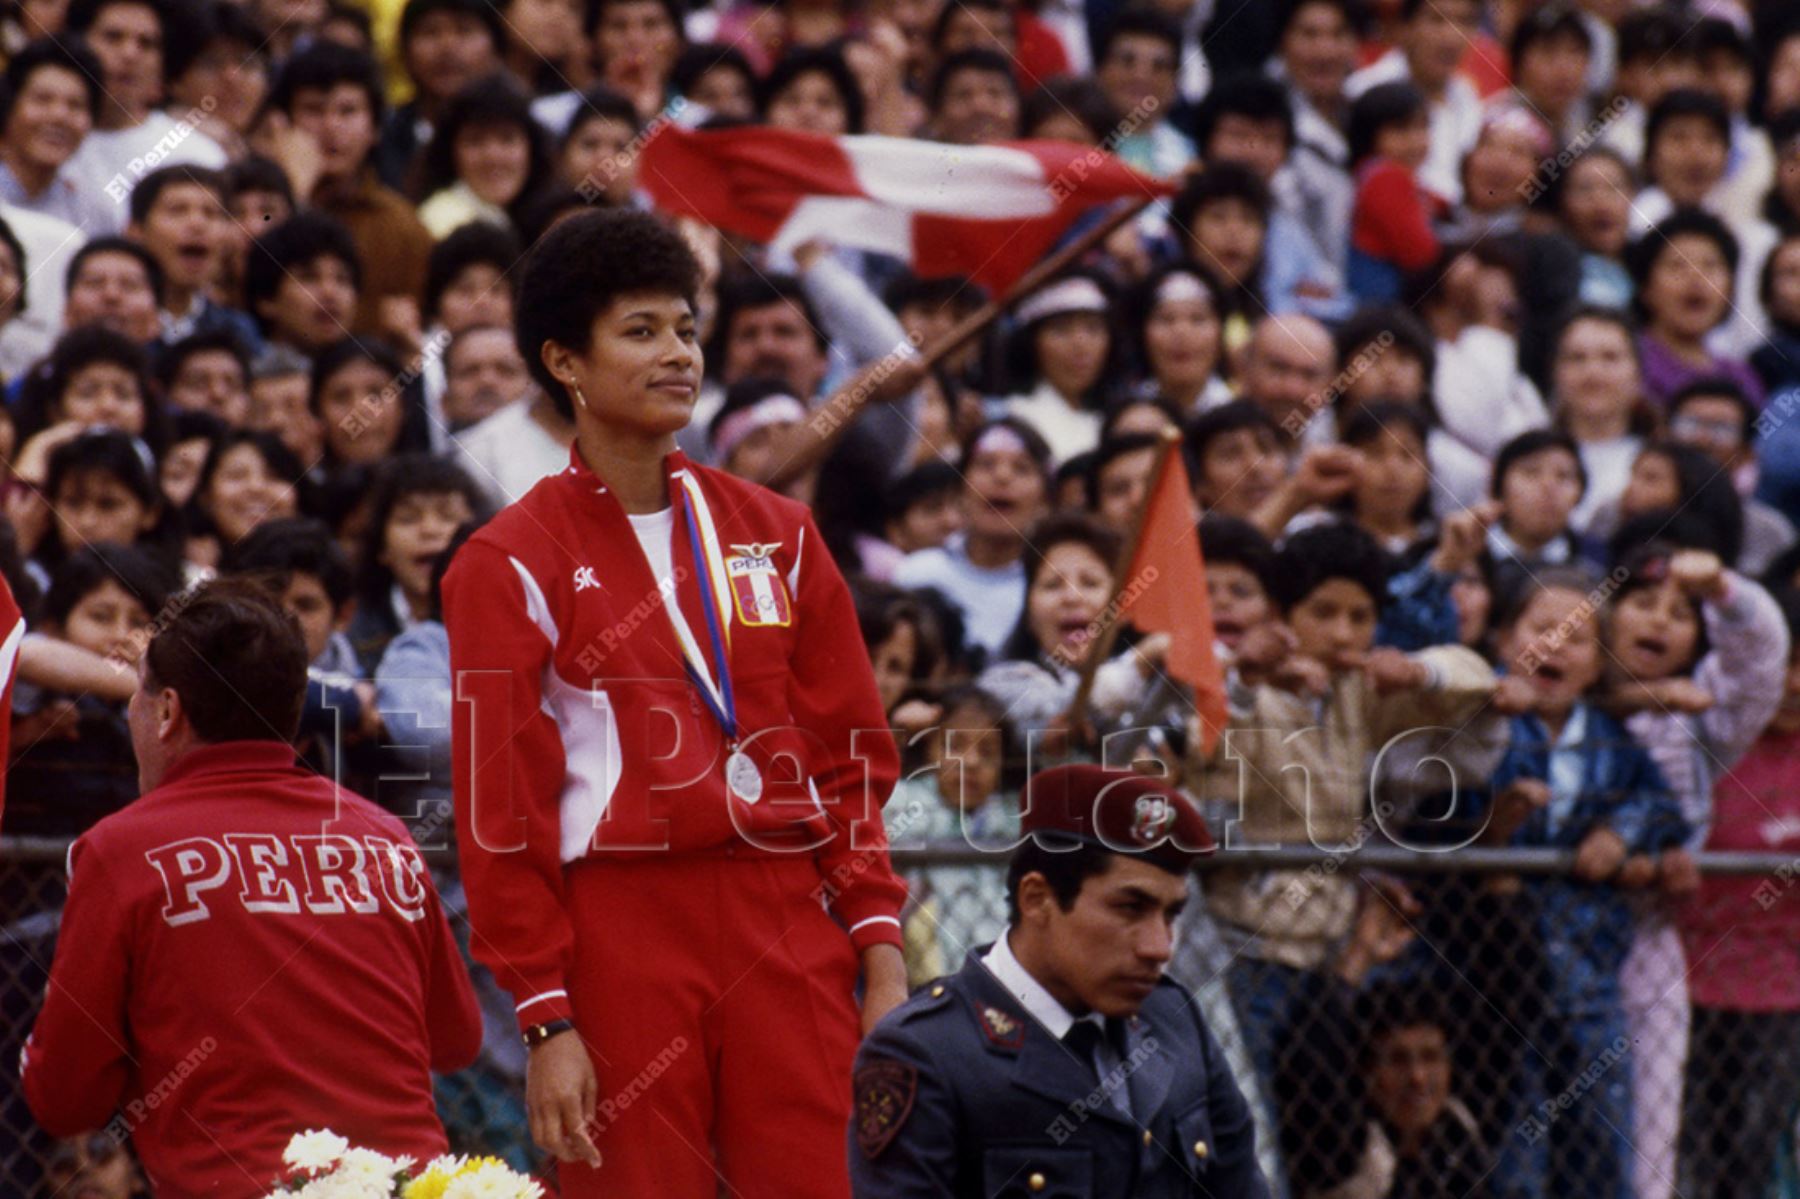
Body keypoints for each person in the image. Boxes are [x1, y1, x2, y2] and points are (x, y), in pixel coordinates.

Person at [444, 208, 908, 1193]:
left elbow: (850, 757)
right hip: (620, 921)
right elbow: (502, 808)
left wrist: (879, 942)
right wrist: (546, 1012)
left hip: (785, 911)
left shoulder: (777, 532)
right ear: (566, 362)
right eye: (642, 331)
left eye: (687, 328)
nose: (678, 354)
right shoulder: (506, 559)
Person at [20, 578, 482, 1193]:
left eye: (139, 694)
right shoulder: (386, 836)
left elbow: (64, 1097)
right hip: (414, 1185)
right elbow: (455, 1042)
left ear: (166, 711)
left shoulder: (120, 850)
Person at [850, 763, 1270, 1197]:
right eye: (1130, 909)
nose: (1160, 946)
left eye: (1170, 914)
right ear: (1037, 899)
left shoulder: (1174, 1019)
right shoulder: (925, 1053)